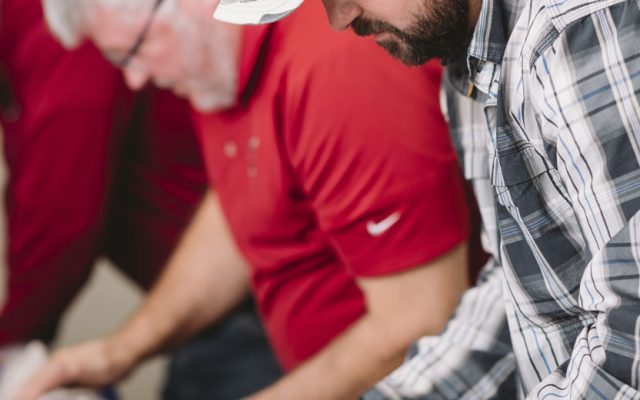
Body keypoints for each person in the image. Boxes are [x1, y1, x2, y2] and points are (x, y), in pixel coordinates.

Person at [15, 0, 480, 398]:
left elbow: (418, 323)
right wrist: (123, 349)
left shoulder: (332, 71)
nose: (135, 80)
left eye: (132, 52)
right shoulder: (215, 71)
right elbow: (240, 202)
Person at [214, 0, 640, 398]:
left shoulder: (576, 31)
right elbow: (523, 303)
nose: (339, 18)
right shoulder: (472, 63)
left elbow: (630, 350)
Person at [0, 0, 282, 398]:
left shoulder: (56, 26)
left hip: (255, 292)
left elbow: (61, 209)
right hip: (214, 291)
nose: (134, 75)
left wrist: (13, 340)